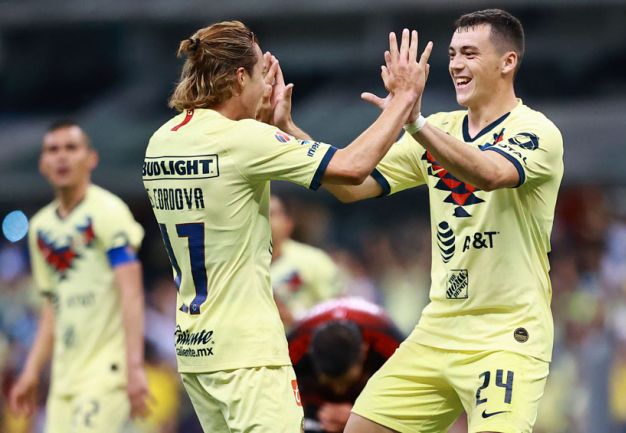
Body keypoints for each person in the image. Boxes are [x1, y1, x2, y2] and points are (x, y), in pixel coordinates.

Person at [142, 21, 431, 432]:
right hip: (249, 354)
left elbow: (225, 179)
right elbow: (351, 168)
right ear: (239, 77)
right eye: (262, 75)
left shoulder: (162, 141)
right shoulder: (242, 141)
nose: (267, 87)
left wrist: (271, 127)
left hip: (195, 350)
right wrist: (404, 99)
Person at [321, 9, 564, 433]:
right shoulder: (441, 128)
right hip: (439, 327)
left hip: (505, 334)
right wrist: (290, 134)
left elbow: (489, 174)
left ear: (507, 62)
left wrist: (413, 120)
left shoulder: (537, 132)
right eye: (452, 54)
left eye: (469, 53)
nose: (455, 65)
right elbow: (350, 185)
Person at [9, 121, 149, 432]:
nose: (62, 157)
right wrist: (31, 371)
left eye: (71, 148)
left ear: (91, 159)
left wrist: (135, 367)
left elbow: (132, 293)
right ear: (43, 164)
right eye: (52, 150)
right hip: (63, 378)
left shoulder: (109, 212)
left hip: (106, 372)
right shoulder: (40, 227)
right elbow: (51, 309)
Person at [288, 298, 403, 433]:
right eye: (330, 382)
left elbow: (411, 401)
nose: (339, 391)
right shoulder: (294, 347)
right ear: (309, 354)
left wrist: (363, 415)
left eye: (346, 381)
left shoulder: (390, 344)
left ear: (364, 352)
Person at [270, 194, 343, 329]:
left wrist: (292, 317)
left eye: (271, 214)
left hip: (303, 345)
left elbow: (338, 311)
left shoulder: (314, 260)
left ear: (288, 223)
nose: (264, 221)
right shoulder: (239, 266)